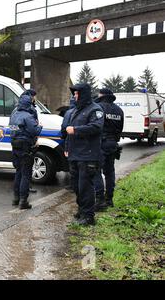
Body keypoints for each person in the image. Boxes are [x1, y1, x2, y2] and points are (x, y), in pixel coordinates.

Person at [65, 83, 104, 226]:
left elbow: (96, 127)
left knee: (85, 186)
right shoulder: (76, 110)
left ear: (83, 94)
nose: (74, 96)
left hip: (88, 156)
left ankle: (89, 216)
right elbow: (68, 133)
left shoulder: (95, 110)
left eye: (76, 94)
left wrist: (76, 130)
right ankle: (82, 210)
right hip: (75, 155)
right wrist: (67, 147)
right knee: (76, 186)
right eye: (74, 94)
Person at [9, 94, 42, 209]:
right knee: (25, 174)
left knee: (18, 172)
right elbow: (35, 131)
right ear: (28, 104)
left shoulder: (13, 115)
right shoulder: (28, 116)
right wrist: (40, 126)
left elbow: (13, 130)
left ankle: (16, 198)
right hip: (25, 147)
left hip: (15, 146)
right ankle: (23, 201)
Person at [93, 88, 124, 209]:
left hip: (100, 143)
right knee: (110, 172)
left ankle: (100, 200)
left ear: (101, 95)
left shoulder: (98, 107)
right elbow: (120, 128)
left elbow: (95, 126)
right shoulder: (119, 110)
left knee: (96, 171)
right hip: (112, 144)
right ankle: (109, 199)